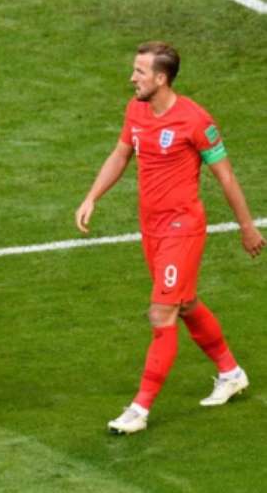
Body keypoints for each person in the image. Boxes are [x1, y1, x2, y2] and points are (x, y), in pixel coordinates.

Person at [74, 41, 265, 434]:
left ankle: (139, 409)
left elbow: (225, 176)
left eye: (140, 72)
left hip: (183, 228)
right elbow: (121, 154)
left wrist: (247, 227)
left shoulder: (195, 120)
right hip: (151, 229)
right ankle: (230, 372)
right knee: (186, 302)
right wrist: (92, 196)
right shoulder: (136, 110)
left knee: (162, 313)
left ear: (161, 78)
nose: (132, 78)